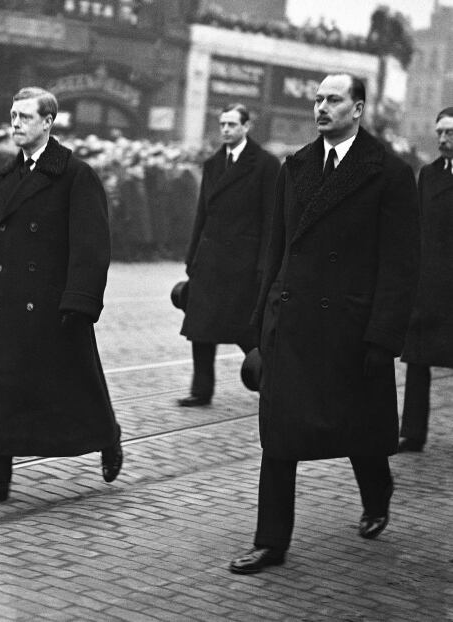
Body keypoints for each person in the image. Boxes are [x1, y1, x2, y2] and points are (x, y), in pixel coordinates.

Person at [229, 73, 419, 574]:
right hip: (291, 323)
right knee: (280, 436)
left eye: (333, 99)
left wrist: (383, 336)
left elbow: (401, 266)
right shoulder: (296, 167)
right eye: (317, 99)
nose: (321, 107)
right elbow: (278, 250)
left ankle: (376, 492)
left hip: (351, 330)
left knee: (359, 431)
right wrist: (258, 325)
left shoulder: (390, 174)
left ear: (358, 109)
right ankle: (271, 541)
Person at [0, 87, 123, 503]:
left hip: (53, 304)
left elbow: (92, 246)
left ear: (48, 122)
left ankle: (107, 435)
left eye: (25, 117)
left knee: (76, 382)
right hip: (6, 302)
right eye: (12, 115)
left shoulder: (75, 174)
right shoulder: (9, 175)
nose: (15, 123)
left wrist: (80, 301)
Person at [178, 103, 280, 407]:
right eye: (222, 124)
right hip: (209, 261)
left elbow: (271, 219)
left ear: (246, 127)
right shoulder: (212, 164)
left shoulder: (265, 164)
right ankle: (201, 390)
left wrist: (264, 265)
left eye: (232, 125)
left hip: (244, 263)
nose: (225, 130)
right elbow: (202, 215)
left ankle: (271, 383)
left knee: (247, 331)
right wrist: (192, 256)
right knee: (201, 330)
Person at [398, 107, 453, 453]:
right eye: (441, 133)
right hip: (429, 283)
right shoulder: (429, 175)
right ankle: (412, 432)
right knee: (417, 361)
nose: (444, 140)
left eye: (451, 133)